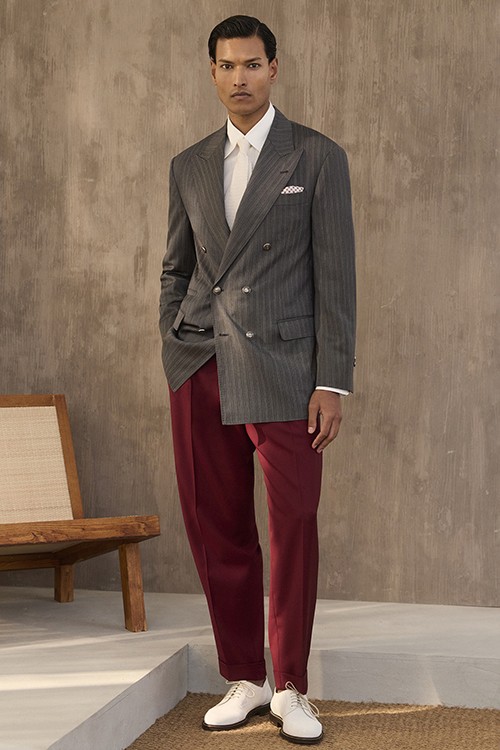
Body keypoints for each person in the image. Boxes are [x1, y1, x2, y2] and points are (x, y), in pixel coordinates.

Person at [159, 14, 356, 745]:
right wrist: (174, 344)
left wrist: (332, 380)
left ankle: (292, 685)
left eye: (251, 64)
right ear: (211, 72)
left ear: (274, 68)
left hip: (286, 370)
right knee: (218, 528)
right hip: (202, 364)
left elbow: (336, 276)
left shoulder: (317, 156)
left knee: (293, 525)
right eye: (226, 65)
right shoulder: (188, 164)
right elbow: (176, 269)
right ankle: (245, 676)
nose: (238, 77)